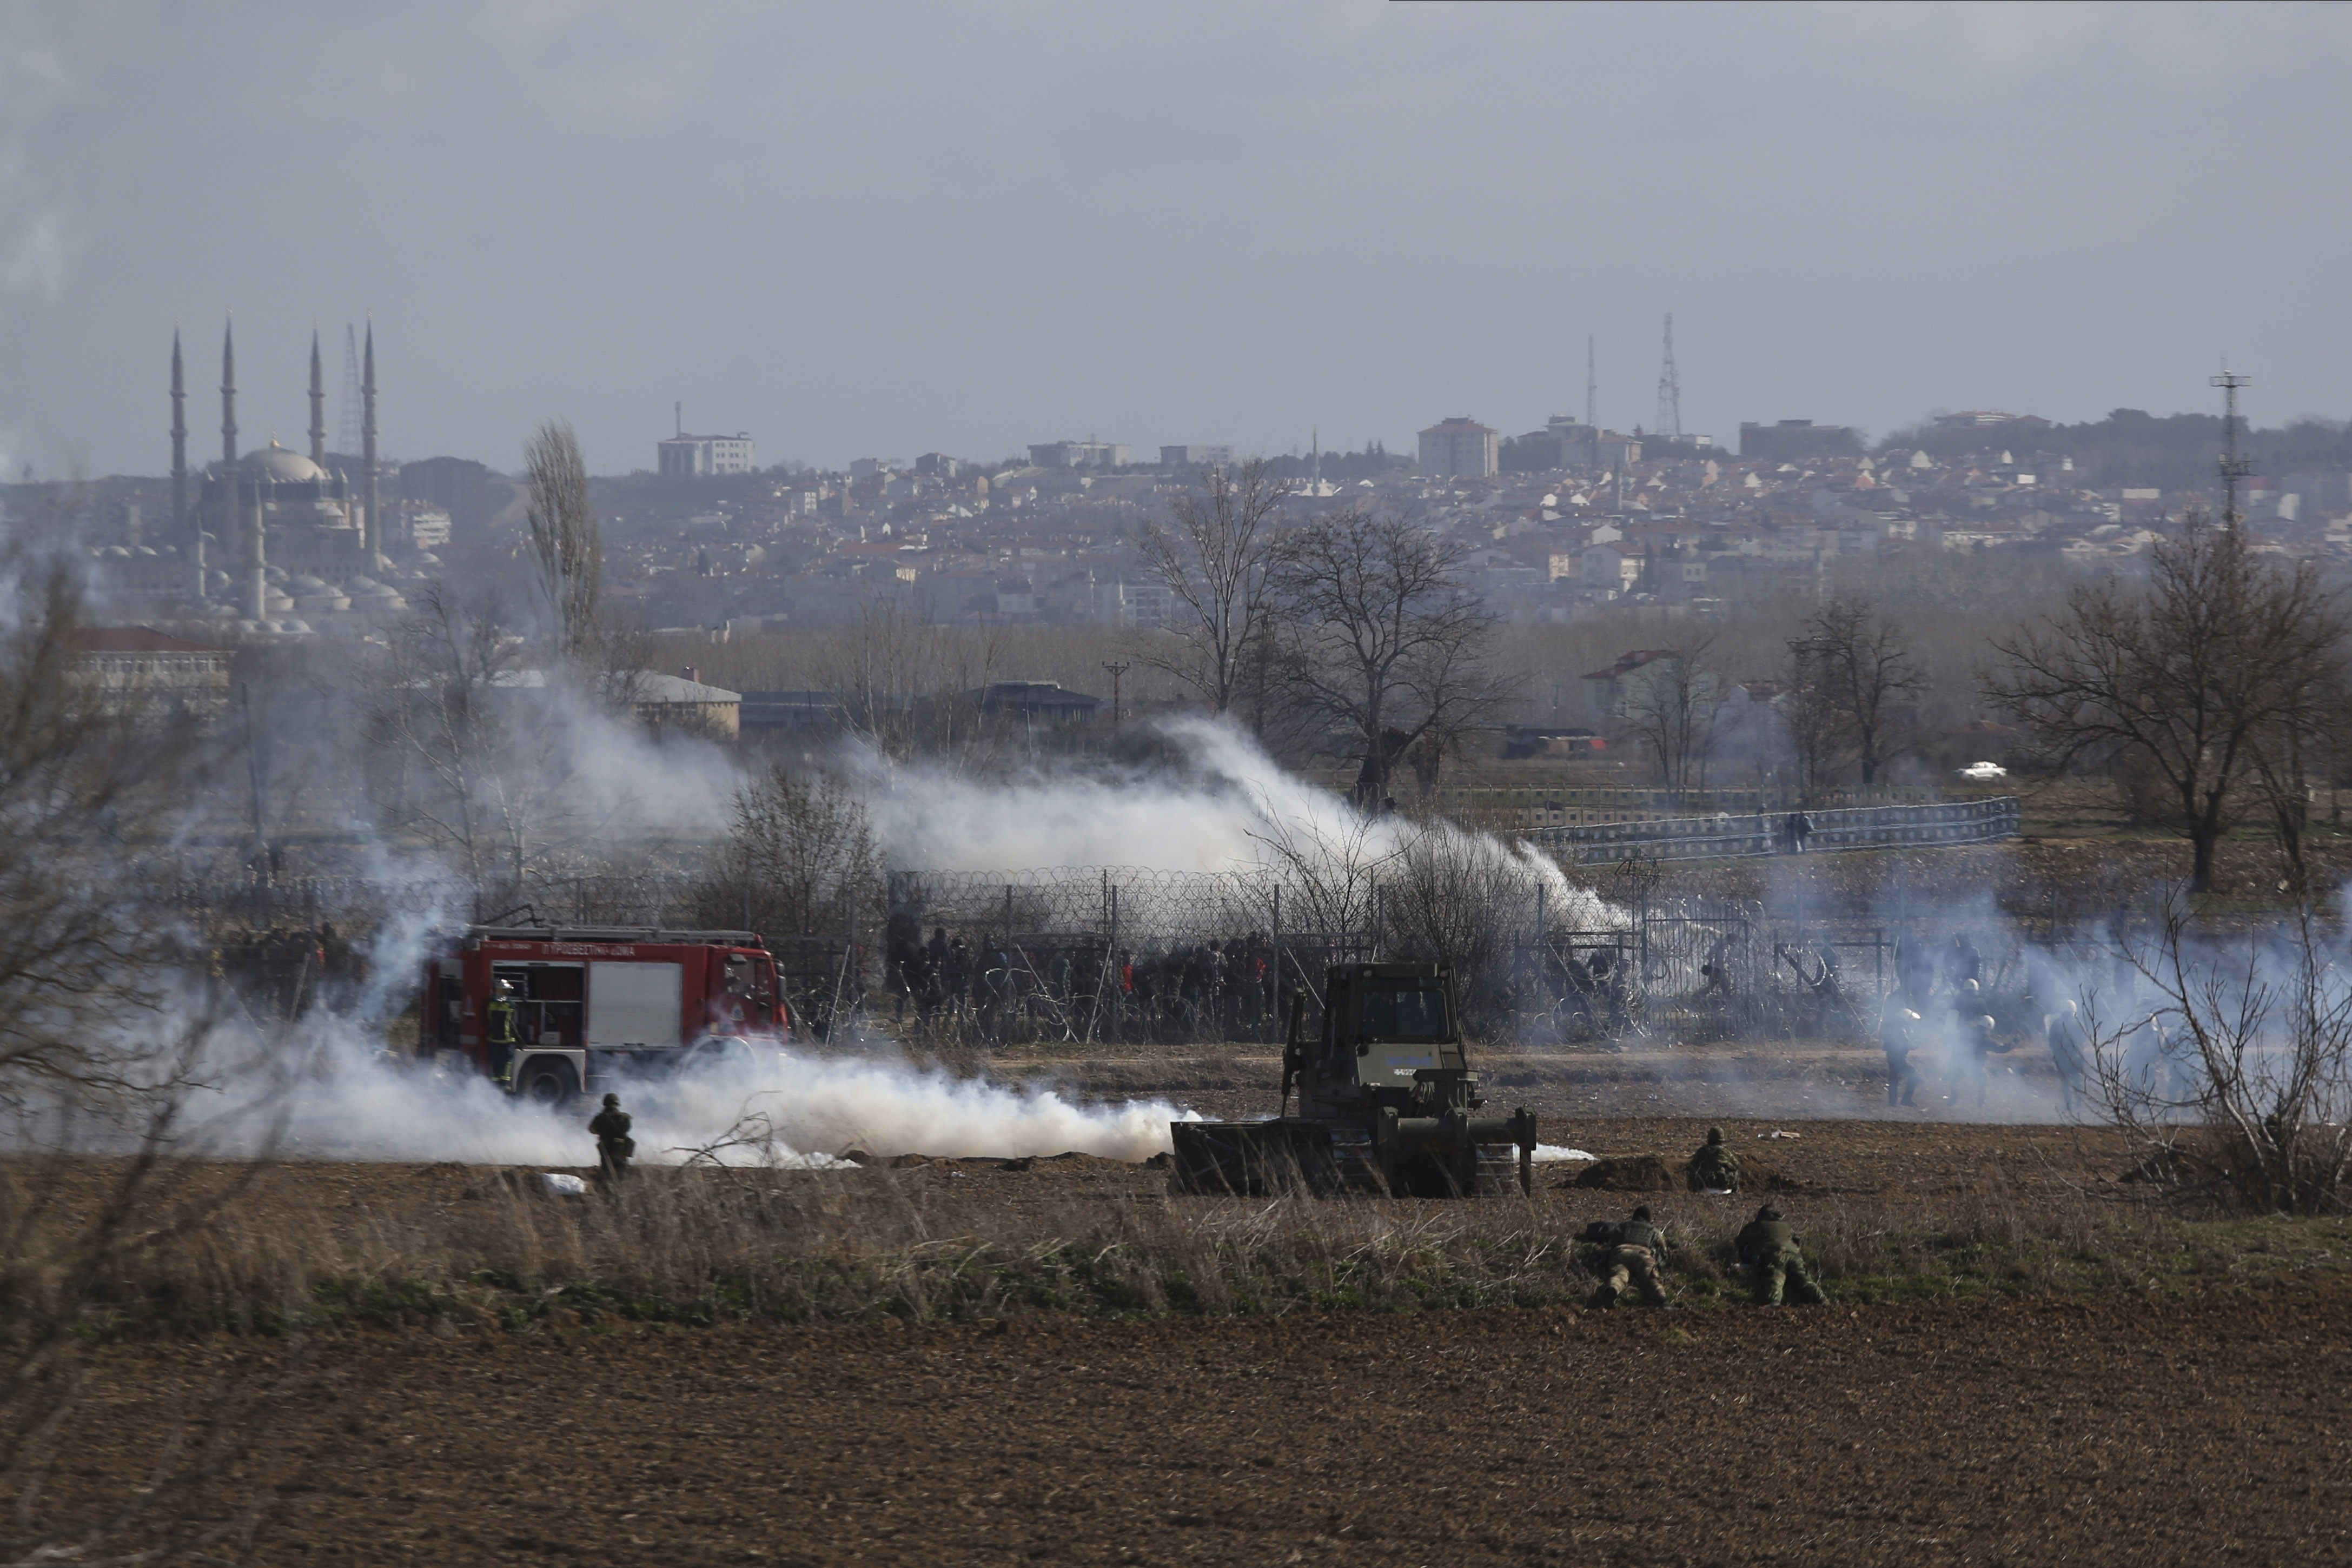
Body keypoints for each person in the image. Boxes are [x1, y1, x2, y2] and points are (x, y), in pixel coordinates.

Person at [1735, 1203, 1827, 1306]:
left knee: (1775, 1280)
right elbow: (1797, 1242)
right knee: (1805, 1280)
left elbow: (1741, 1242)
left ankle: (1774, 1302)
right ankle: (1822, 1299)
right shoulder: (1787, 1226)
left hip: (1773, 1256)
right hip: (1794, 1256)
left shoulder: (1755, 1226)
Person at [1586, 1203, 1674, 1309]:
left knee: (1619, 1276)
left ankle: (1610, 1296)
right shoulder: (1653, 1230)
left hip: (1621, 1253)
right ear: (1648, 1219)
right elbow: (1664, 1251)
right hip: (1643, 1255)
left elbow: (1612, 1241)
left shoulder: (1623, 1226)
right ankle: (1663, 1301)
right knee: (1650, 1280)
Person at [1883, 1006, 1924, 1108]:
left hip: (1892, 1057)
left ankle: (1893, 1104)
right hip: (1899, 1058)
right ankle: (1906, 1100)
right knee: (1915, 1076)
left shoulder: (1895, 1026)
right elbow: (1906, 1045)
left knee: (1894, 1080)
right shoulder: (1901, 1029)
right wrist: (1917, 1044)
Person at [588, 1093, 634, 1184]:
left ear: (605, 1103)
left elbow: (592, 1130)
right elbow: (628, 1128)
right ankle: (621, 1190)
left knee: (607, 1173)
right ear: (617, 1103)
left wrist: (602, 1131)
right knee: (622, 1172)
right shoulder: (625, 1117)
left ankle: (609, 1193)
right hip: (621, 1148)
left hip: (607, 1148)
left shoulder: (601, 1117)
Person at [485, 978, 519, 1088]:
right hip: (507, 1040)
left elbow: (489, 1019)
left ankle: (494, 1085)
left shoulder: (490, 1003)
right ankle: (504, 1084)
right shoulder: (510, 1005)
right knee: (507, 1062)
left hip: (493, 1039)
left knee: (495, 1063)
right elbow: (513, 1021)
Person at [1687, 1126, 1741, 1192]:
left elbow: (1692, 1166)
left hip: (1703, 1190)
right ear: (1721, 1140)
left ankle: (1693, 1191)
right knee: (1736, 1172)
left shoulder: (1702, 1151)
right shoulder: (1726, 1152)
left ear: (1709, 1138)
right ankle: (1735, 1193)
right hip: (1724, 1190)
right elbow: (1737, 1165)